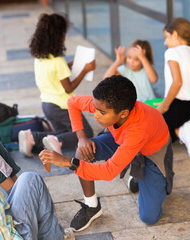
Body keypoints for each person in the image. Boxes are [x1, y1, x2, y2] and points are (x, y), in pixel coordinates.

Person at [39, 75, 174, 232]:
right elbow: (72, 103)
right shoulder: (105, 104)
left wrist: (67, 162)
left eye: (101, 112)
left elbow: (109, 172)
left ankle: (142, 169)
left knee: (149, 217)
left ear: (123, 113)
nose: (95, 115)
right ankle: (92, 207)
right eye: (95, 109)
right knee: (82, 152)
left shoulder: (137, 128)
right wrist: (82, 137)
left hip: (153, 151)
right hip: (121, 139)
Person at [19, 13, 95, 157]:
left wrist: (72, 63)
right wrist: (85, 70)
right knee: (87, 133)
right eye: (64, 34)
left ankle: (33, 137)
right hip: (62, 106)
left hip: (47, 106)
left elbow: (55, 73)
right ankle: (57, 141)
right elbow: (69, 88)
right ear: (58, 36)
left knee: (64, 132)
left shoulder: (40, 58)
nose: (65, 37)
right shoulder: (58, 62)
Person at [157, 17, 190, 157]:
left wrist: (164, 105)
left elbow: (177, 82)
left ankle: (183, 131)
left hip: (176, 105)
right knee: (164, 136)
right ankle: (188, 123)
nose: (165, 42)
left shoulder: (171, 53)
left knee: (153, 136)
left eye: (166, 37)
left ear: (174, 34)